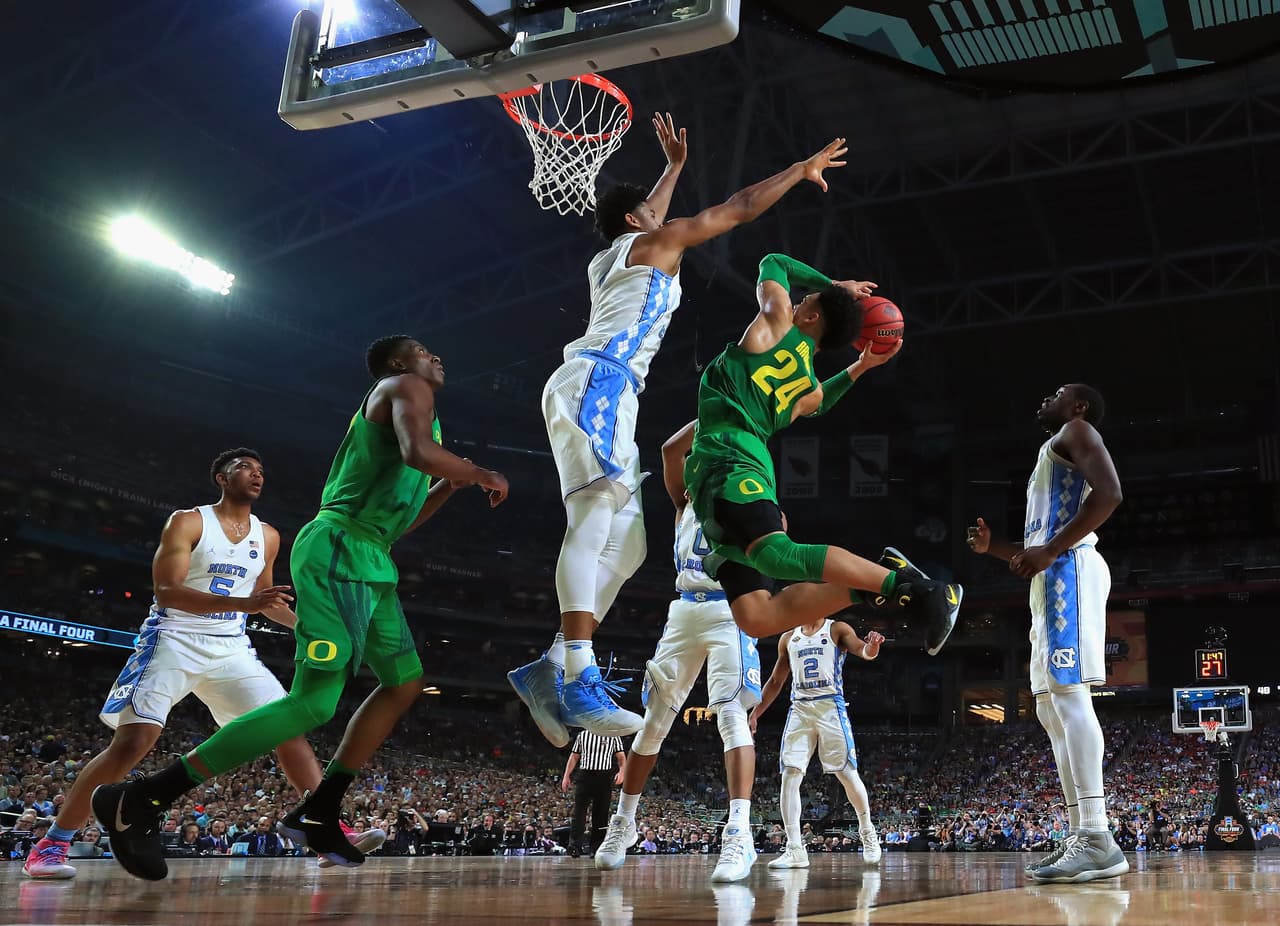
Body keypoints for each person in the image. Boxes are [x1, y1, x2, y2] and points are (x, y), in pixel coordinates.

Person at [91, 336, 508, 880]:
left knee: (405, 681)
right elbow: (416, 454)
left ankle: (320, 807)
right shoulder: (403, 387)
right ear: (401, 364)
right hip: (337, 550)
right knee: (314, 703)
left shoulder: (423, 417)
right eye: (427, 352)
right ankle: (143, 798)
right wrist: (477, 473)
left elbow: (396, 523)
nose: (438, 357)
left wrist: (448, 488)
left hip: (371, 555)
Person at [509, 113, 853, 741]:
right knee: (594, 514)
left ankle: (552, 664)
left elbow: (646, 218)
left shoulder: (617, 253)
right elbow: (740, 207)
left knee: (633, 542)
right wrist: (800, 172)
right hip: (601, 382)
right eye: (655, 209)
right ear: (642, 222)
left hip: (605, 386)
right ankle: (578, 674)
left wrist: (672, 169)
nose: (665, 216)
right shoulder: (650, 244)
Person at [24, 449, 385, 879]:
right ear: (221, 476)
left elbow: (265, 601)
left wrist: (312, 629)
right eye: (245, 468)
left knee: (289, 729)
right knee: (133, 743)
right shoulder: (188, 521)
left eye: (261, 470)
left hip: (230, 646)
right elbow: (167, 592)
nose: (256, 475)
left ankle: (323, 830)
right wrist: (245, 603)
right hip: (173, 638)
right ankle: (52, 844)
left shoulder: (267, 535)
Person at [681, 252, 963, 646]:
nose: (798, 301)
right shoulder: (808, 387)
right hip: (733, 466)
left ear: (811, 317)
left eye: (805, 301)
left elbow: (773, 261)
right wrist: (860, 367)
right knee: (757, 617)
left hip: (732, 460)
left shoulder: (778, 323)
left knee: (776, 555)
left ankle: (916, 590)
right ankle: (866, 582)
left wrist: (833, 286)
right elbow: (821, 401)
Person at [967, 383, 1128, 884]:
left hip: (1071, 571)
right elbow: (1033, 551)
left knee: (1070, 695)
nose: (1045, 397)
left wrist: (1051, 550)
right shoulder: (1048, 454)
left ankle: (1098, 837)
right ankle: (1082, 833)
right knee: (1047, 706)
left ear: (1077, 407)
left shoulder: (1077, 430)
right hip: (1050, 575)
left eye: (1058, 393)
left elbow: (1111, 494)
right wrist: (997, 550)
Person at [594, 422, 762, 882]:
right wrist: (715, 410)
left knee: (729, 715)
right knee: (654, 722)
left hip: (731, 611)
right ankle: (623, 824)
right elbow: (670, 448)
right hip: (685, 610)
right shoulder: (685, 503)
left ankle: (739, 835)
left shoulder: (751, 498)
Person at [749, 616, 885, 870]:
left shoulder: (837, 629)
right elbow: (777, 681)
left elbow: (862, 650)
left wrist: (872, 647)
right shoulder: (788, 638)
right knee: (790, 774)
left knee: (846, 773)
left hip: (829, 705)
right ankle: (795, 848)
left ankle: (867, 831)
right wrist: (756, 712)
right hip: (799, 709)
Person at [562, 730, 625, 856]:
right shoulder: (582, 735)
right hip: (585, 775)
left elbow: (621, 757)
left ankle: (596, 847)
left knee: (601, 813)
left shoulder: (613, 735)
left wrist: (622, 772)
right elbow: (574, 756)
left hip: (604, 776)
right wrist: (566, 775)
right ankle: (574, 846)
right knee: (579, 812)